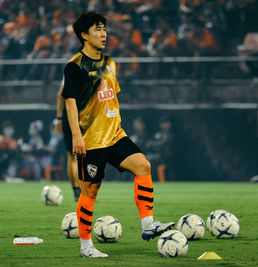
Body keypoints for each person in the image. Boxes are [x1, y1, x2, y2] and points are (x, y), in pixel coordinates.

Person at [61, 12, 174, 258]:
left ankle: (148, 225)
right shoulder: (74, 67)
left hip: (115, 134)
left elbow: (110, 97)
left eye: (104, 29)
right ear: (84, 35)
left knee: (143, 165)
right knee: (90, 191)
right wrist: (76, 136)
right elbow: (70, 103)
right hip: (91, 139)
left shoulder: (110, 63)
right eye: (97, 29)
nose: (103, 34)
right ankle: (86, 247)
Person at [56, 79, 82, 202]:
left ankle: (76, 190)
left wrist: (59, 118)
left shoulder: (70, 70)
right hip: (83, 113)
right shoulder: (93, 69)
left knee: (71, 156)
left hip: (68, 113)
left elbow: (60, 95)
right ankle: (84, 190)